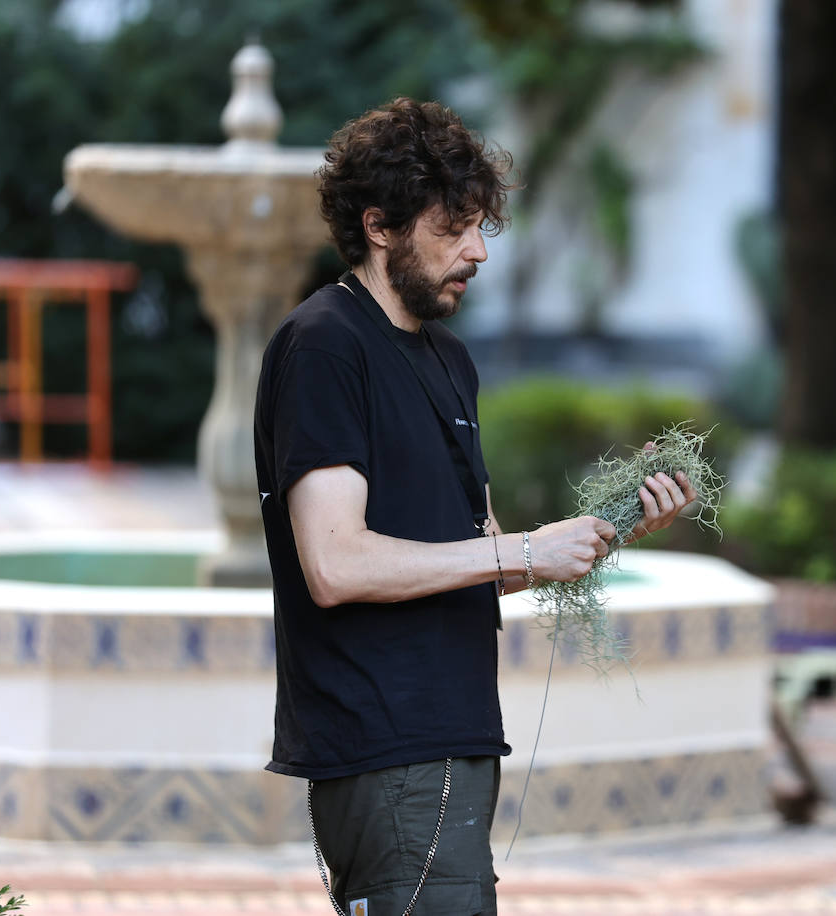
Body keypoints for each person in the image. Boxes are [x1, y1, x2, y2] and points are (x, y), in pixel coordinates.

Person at [253, 98, 698, 916]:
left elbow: (480, 559)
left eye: (481, 225)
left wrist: (612, 521)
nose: (478, 251)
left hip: (452, 744)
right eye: (452, 228)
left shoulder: (450, 361)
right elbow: (335, 563)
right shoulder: (324, 347)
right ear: (380, 225)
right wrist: (525, 550)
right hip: (387, 752)